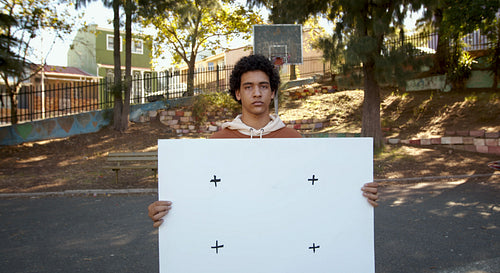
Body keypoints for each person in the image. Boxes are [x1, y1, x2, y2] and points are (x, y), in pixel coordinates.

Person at [148, 54, 379, 228]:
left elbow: (314, 195)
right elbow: (202, 198)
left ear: (273, 93)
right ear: (237, 93)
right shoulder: (217, 143)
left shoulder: (294, 140)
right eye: (248, 87)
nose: (256, 93)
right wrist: (165, 212)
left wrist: (357, 197)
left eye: (263, 86)